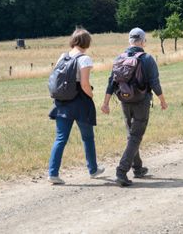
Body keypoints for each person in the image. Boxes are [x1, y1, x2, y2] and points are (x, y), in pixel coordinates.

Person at [101, 28, 168, 187]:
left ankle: (137, 168)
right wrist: (162, 101)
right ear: (143, 41)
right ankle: (122, 171)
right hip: (141, 101)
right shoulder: (147, 59)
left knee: (132, 134)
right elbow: (155, 83)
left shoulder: (119, 58)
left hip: (124, 100)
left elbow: (112, 82)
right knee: (136, 135)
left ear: (129, 41)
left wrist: (105, 103)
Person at [47, 28, 104, 185]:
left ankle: (53, 173)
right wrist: (91, 95)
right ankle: (93, 169)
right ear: (87, 42)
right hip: (80, 103)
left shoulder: (62, 57)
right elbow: (85, 84)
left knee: (60, 138)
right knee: (87, 137)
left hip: (62, 103)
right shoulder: (85, 59)